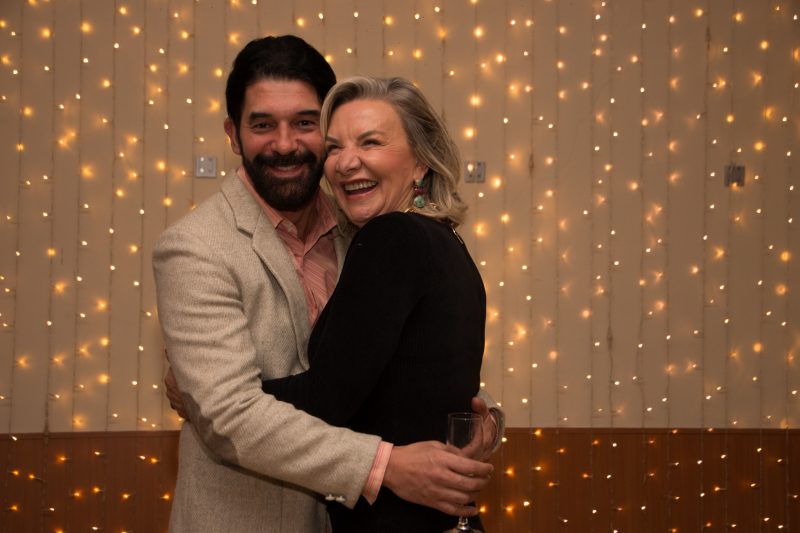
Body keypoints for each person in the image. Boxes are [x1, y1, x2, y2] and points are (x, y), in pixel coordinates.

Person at [153, 35, 500, 533]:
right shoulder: (194, 247)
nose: (285, 144)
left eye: (305, 123)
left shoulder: (367, 227)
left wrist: (475, 420)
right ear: (233, 134)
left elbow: (405, 365)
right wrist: (211, 400)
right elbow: (231, 418)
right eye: (262, 125)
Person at [260, 75, 488, 532]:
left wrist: (216, 394)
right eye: (334, 148)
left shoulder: (392, 237)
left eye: (370, 142)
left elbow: (325, 400)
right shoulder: (449, 244)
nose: (346, 163)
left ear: (421, 161)